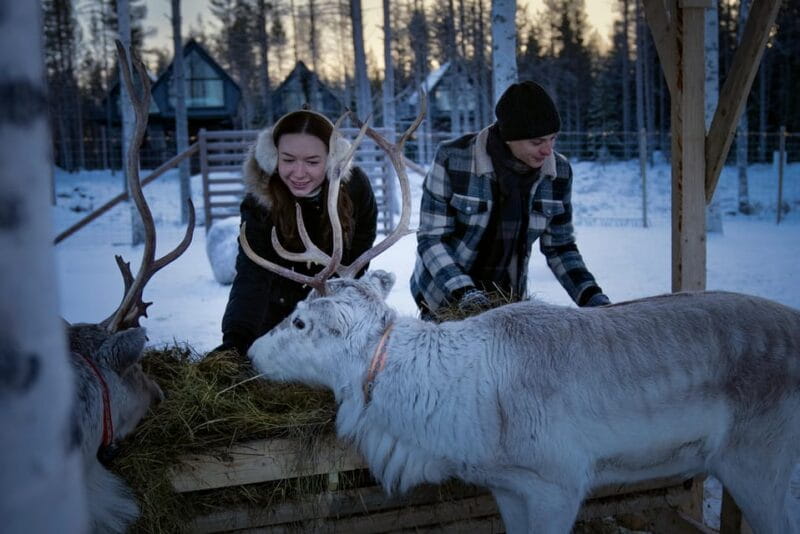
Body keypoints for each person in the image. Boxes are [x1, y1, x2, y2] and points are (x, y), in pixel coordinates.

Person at [410, 80, 610, 318]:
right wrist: (464, 293)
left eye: (552, 139)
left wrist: (592, 298)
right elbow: (431, 238)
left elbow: (560, 246)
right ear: (509, 137)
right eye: (537, 142)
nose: (548, 151)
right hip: (444, 298)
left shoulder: (558, 173)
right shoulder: (453, 159)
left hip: (507, 304)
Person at [215, 109, 378, 356]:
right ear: (273, 158)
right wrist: (236, 339)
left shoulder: (355, 188)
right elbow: (252, 275)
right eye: (288, 160)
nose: (298, 173)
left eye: (312, 162)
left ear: (332, 160)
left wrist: (331, 314)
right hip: (275, 319)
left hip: (335, 311)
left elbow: (357, 259)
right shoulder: (260, 201)